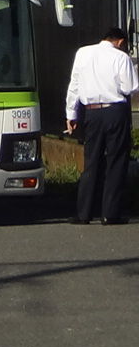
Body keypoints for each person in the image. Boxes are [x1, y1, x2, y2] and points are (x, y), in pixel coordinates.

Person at [63, 26, 138, 226]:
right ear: (120, 42)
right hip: (115, 111)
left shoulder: (83, 53)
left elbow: (74, 85)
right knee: (116, 161)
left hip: (91, 112)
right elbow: (129, 87)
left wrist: (71, 113)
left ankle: (84, 213)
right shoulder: (121, 58)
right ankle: (110, 214)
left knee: (91, 161)